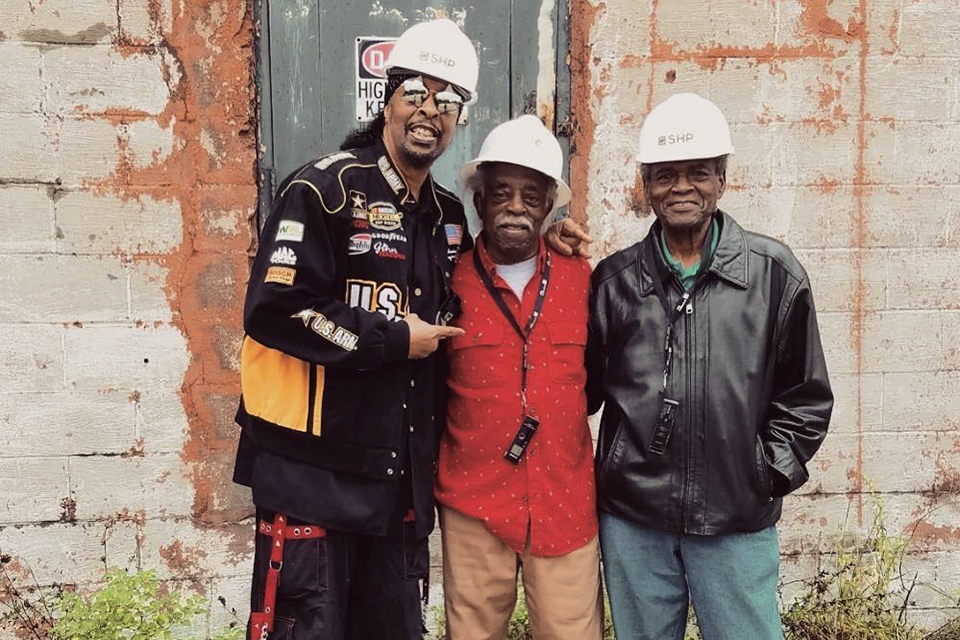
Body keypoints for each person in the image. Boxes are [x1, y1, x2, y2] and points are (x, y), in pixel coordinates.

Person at [233, 18, 591, 640]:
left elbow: (491, 273)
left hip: (397, 487)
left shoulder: (448, 216)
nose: (431, 110)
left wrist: (550, 240)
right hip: (312, 476)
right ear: (387, 96)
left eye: (448, 98)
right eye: (416, 92)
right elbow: (272, 310)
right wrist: (393, 339)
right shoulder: (324, 189)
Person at [586, 92, 833, 640]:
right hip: (634, 520)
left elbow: (807, 397)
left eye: (698, 173)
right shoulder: (613, 282)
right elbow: (581, 393)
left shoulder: (774, 275)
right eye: (666, 175)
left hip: (736, 520)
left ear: (722, 179)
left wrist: (765, 472)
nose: (681, 188)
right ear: (646, 184)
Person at [435, 115, 604, 640]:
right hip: (473, 497)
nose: (515, 207)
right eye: (501, 193)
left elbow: (596, 379)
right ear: (478, 200)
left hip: (563, 497)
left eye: (531, 197)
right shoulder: (446, 279)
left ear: (550, 204)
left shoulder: (583, 277)